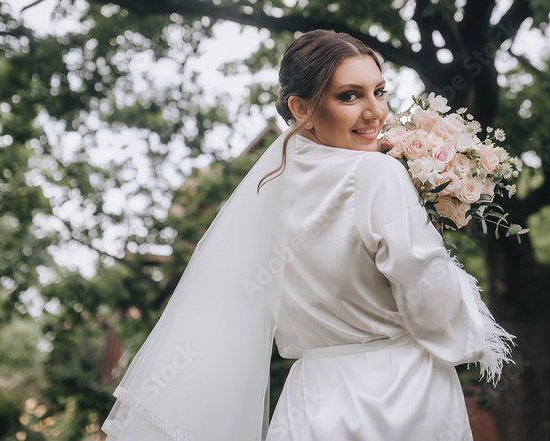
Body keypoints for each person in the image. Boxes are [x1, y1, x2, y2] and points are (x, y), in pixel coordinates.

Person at [101, 30, 514, 441]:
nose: (376, 112)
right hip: (399, 397)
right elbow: (437, 313)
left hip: (308, 401)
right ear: (301, 107)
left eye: (380, 92)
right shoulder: (378, 173)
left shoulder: (270, 189)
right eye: (350, 96)